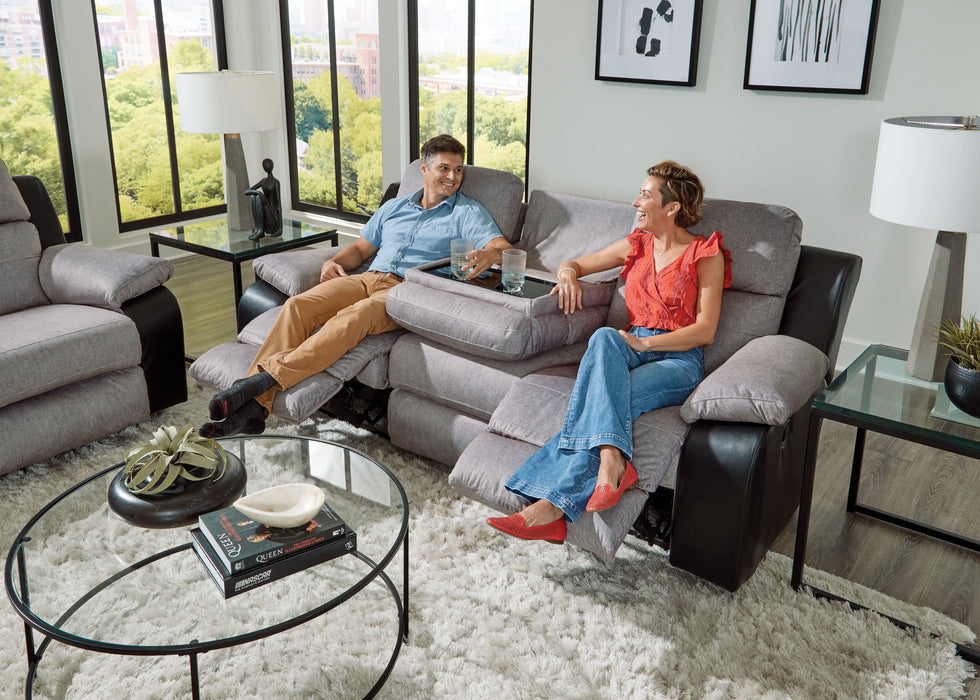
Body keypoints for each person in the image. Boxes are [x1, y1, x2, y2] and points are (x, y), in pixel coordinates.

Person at [487, 161, 732, 545]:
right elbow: (574, 264)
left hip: (677, 359)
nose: (636, 202)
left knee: (606, 399)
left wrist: (647, 344)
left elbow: (705, 330)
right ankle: (612, 460)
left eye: (645, 195)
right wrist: (568, 275)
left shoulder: (705, 253)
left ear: (671, 208)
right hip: (630, 344)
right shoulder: (637, 244)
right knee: (604, 336)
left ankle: (550, 508)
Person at [203, 134, 512, 437]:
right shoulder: (395, 207)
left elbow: (504, 249)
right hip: (367, 278)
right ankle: (256, 409)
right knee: (298, 305)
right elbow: (360, 250)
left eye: (458, 169)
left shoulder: (467, 212)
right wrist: (333, 262)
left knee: (354, 317)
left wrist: (489, 254)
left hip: (408, 293)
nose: (452, 177)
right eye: (444, 168)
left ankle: (260, 382)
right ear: (424, 168)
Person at [245, 158, 282, 241]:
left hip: (272, 215)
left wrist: (280, 228)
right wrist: (259, 193)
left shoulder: (275, 182)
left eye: (268, 164)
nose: (267, 166)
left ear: (272, 166)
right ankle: (258, 229)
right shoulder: (263, 181)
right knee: (254, 196)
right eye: (265, 165)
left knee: (258, 198)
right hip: (264, 211)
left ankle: (261, 230)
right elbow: (247, 191)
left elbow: (279, 205)